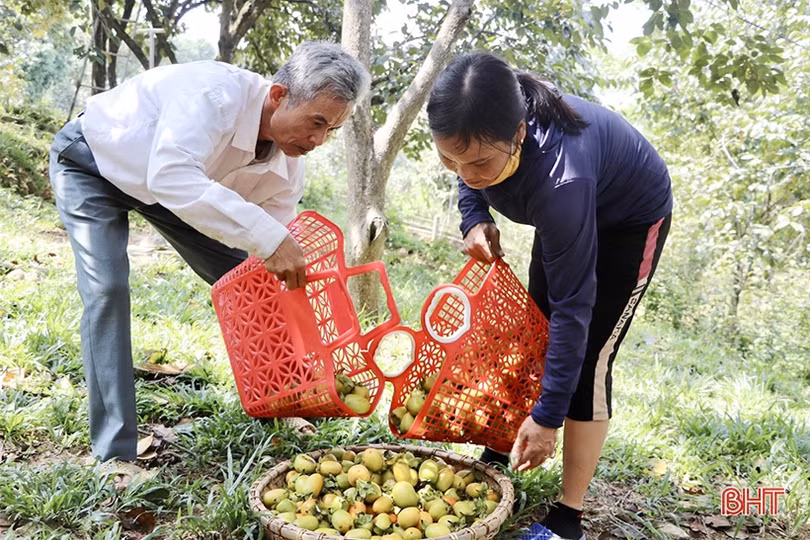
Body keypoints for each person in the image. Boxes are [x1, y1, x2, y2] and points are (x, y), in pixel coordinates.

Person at [49, 42, 370, 473]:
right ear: (278, 96)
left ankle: (288, 398)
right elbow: (172, 176)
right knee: (106, 288)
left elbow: (268, 250)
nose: (318, 140)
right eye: (316, 122)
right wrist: (269, 238)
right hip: (93, 159)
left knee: (262, 281)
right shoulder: (213, 95)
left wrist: (275, 253)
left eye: (330, 131)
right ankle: (115, 453)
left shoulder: (291, 165)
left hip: (170, 188)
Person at [427, 52, 672, 540]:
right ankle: (499, 451)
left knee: (588, 361)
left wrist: (548, 417)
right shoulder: (479, 129)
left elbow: (573, 309)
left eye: (479, 163)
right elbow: (465, 164)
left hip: (628, 221)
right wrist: (474, 214)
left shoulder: (562, 179)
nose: (465, 171)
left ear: (518, 134)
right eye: (450, 158)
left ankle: (567, 520)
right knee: (530, 334)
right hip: (570, 218)